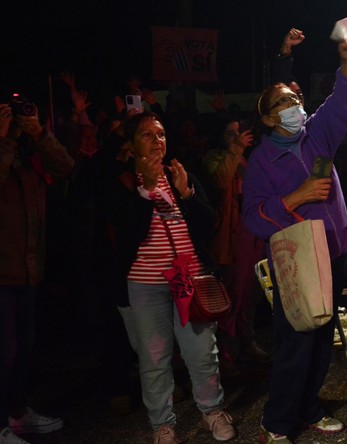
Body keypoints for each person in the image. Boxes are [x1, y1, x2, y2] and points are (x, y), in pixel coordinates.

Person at [242, 38, 347, 444]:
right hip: (297, 260)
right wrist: (297, 197)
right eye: (285, 102)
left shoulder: (316, 138)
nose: (296, 105)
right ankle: (275, 422)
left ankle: (308, 409)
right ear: (270, 121)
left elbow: (341, 104)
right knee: (296, 343)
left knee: (322, 339)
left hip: (334, 251)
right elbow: (253, 217)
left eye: (296, 97)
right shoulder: (261, 162)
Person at [104, 111, 236, 443]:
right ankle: (162, 425)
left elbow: (208, 224)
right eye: (147, 135)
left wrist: (188, 195)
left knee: (201, 350)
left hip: (187, 279)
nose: (157, 140)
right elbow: (124, 232)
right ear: (132, 145)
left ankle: (212, 412)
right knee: (154, 358)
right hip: (145, 284)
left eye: (161, 134)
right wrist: (145, 191)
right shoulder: (121, 183)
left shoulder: (180, 175)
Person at [0, 95, 74, 444]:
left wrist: (39, 132)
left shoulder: (29, 160)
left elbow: (64, 168)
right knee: (6, 350)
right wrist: (5, 139)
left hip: (27, 269)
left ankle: (17, 413)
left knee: (24, 346)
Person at [201, 119, 271, 369]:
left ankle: (247, 342)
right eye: (230, 132)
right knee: (234, 291)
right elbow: (220, 181)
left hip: (253, 232)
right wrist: (236, 149)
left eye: (239, 131)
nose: (236, 136)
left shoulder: (249, 159)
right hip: (233, 234)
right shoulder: (215, 157)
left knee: (251, 291)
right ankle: (227, 350)